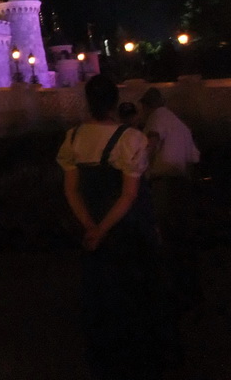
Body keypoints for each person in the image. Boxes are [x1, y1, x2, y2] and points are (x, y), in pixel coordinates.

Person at [58, 74, 179, 380]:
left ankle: (105, 361)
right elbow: (129, 195)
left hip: (92, 226)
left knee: (101, 297)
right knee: (134, 296)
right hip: (126, 228)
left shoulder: (73, 138)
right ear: (114, 101)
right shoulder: (130, 139)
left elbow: (71, 190)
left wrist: (90, 227)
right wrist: (105, 229)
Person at [140, 87, 201, 311]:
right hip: (183, 184)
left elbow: (152, 143)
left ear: (148, 106)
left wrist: (138, 167)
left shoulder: (157, 117)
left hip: (163, 183)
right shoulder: (181, 125)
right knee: (184, 237)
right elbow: (194, 158)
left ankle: (171, 293)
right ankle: (191, 291)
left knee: (166, 236)